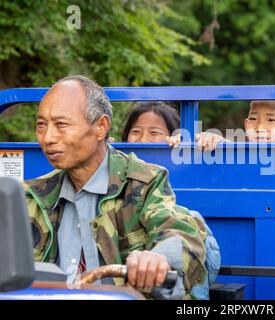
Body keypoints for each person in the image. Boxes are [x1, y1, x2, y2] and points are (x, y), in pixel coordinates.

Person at [24, 75, 207, 299]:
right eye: (41, 125)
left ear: (101, 127)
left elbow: (181, 233)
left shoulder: (144, 182)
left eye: (61, 124)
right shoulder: (31, 195)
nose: (48, 137)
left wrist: (158, 260)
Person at [121, 101, 221, 299]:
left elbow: (227, 156)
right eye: (136, 131)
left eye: (154, 132)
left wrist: (214, 140)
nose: (142, 140)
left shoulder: (183, 159)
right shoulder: (117, 169)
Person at [167, 99, 275, 149]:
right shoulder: (239, 153)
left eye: (271, 120)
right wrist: (206, 139)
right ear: (246, 125)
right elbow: (226, 147)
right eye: (253, 119)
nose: (259, 128)